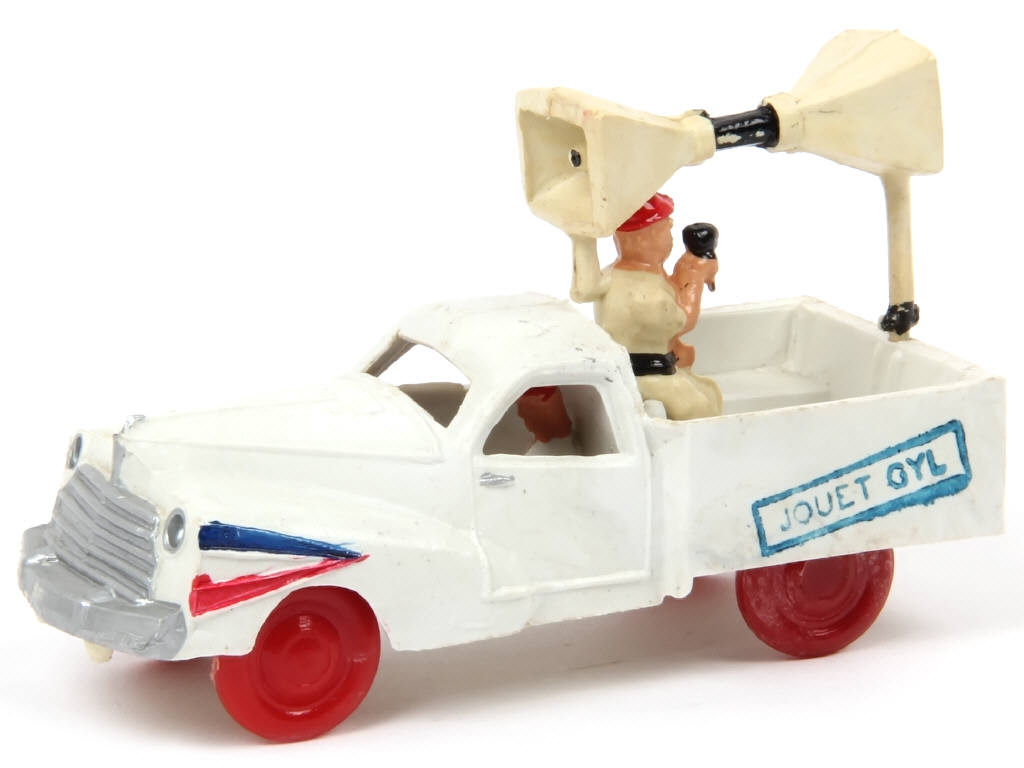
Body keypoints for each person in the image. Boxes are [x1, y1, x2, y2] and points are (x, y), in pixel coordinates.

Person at [570, 193, 722, 420]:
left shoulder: (619, 275)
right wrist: (695, 277)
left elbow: (584, 288)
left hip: (644, 368)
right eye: (667, 230)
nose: (671, 238)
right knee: (698, 408)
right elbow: (684, 320)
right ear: (647, 238)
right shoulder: (644, 293)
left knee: (705, 392)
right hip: (645, 376)